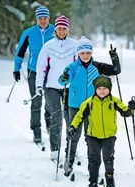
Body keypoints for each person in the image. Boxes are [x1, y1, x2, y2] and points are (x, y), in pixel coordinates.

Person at [58, 36, 121, 175]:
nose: (85, 56)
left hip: (93, 107)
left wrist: (114, 58)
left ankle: (92, 167)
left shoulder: (97, 66)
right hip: (75, 106)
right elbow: (62, 82)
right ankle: (69, 160)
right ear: (78, 54)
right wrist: (64, 77)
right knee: (73, 135)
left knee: (91, 138)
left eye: (88, 53)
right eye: (82, 53)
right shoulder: (72, 67)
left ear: (91, 53)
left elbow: (116, 70)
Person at [67, 76, 135, 187]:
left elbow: (125, 112)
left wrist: (131, 109)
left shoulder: (114, 101)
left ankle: (110, 183)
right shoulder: (89, 103)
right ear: (95, 89)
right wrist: (73, 126)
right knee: (94, 161)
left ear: (109, 89)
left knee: (108, 160)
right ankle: (93, 186)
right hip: (92, 137)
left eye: (105, 88)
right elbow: (79, 116)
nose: (102, 91)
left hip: (109, 137)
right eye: (99, 88)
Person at [35, 15, 78, 160]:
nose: (61, 30)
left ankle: (71, 147)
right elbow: (41, 68)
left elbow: (79, 67)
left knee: (70, 117)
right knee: (56, 116)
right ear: (55, 29)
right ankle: (54, 149)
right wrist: (39, 85)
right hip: (51, 87)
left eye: (64, 28)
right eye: (59, 28)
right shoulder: (48, 46)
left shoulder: (74, 45)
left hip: (68, 87)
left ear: (68, 30)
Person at [13, 6, 54, 143]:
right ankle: (36, 129)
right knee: (36, 101)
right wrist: (16, 69)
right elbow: (20, 52)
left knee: (50, 100)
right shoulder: (29, 33)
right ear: (36, 19)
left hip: (51, 71)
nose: (42, 21)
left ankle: (49, 123)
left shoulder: (56, 31)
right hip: (34, 71)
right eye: (40, 18)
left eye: (45, 18)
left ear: (49, 18)